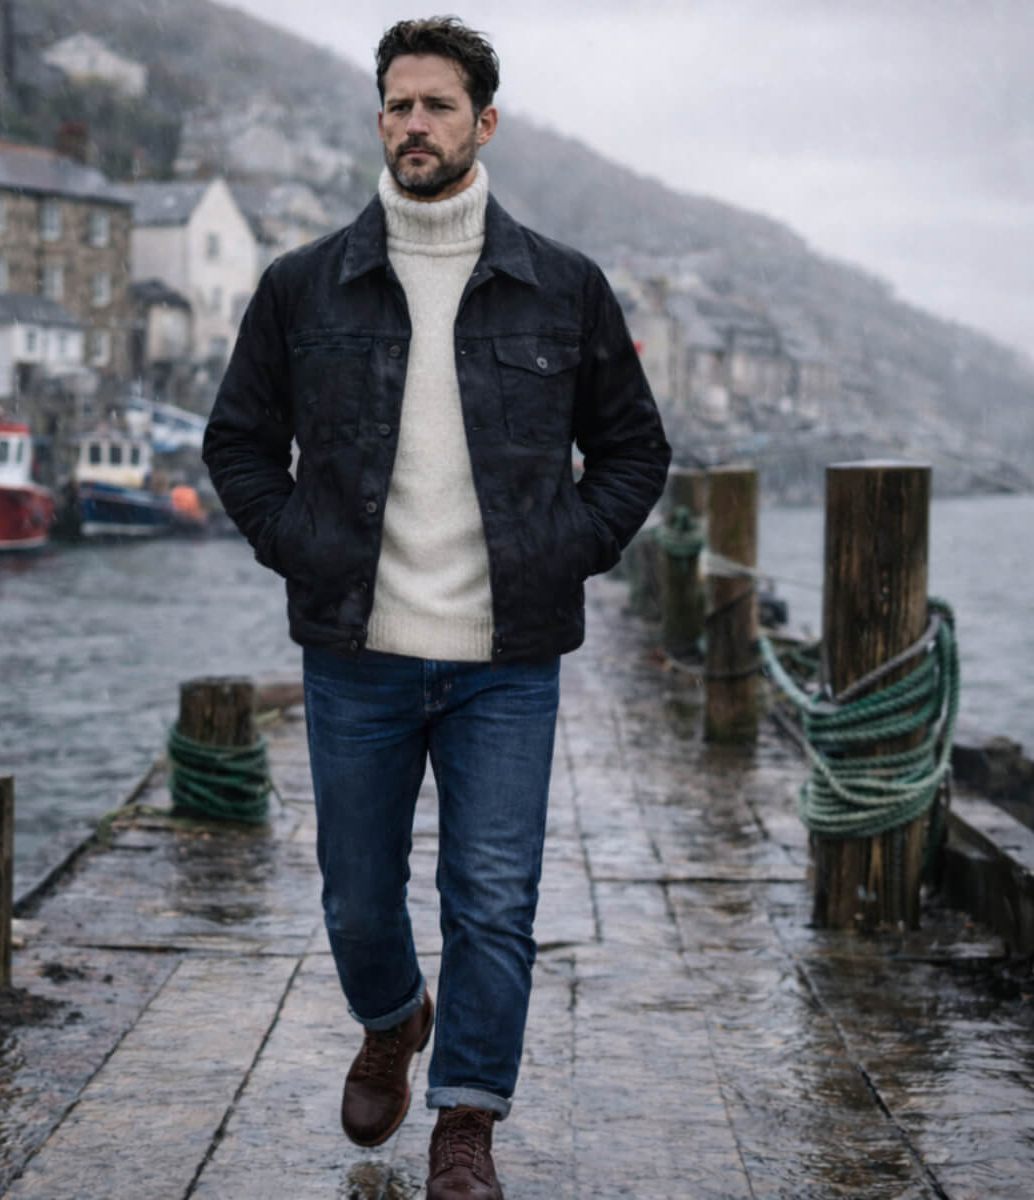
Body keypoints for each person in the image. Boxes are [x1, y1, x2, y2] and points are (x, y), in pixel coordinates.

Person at [203, 17, 671, 1198]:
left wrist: (565, 550)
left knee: (495, 898)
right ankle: (392, 1015)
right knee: (359, 896)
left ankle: (468, 1115)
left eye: (438, 106)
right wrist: (300, 543)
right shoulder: (302, 284)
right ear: (379, 120)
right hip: (355, 651)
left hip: (505, 659)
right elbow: (238, 442)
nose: (414, 124)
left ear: (484, 123)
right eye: (397, 105)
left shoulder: (563, 287)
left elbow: (634, 451)